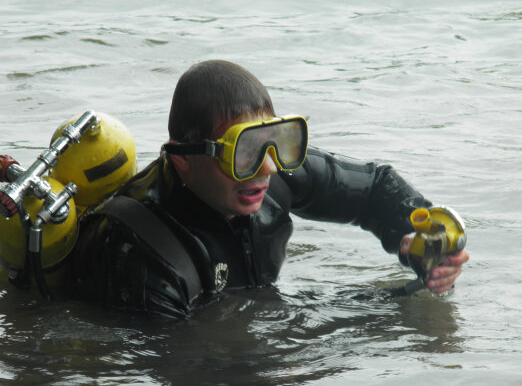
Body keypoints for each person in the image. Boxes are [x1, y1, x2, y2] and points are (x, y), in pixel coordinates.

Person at [68, 60, 470, 318]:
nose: (267, 168)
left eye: (272, 142)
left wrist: (417, 241)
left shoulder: (271, 169)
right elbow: (188, 365)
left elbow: (374, 189)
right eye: (244, 151)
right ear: (182, 158)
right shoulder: (141, 256)